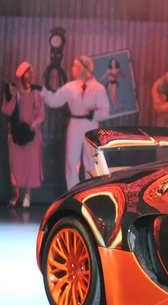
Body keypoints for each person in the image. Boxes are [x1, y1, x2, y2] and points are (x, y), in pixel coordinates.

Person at [42, 56, 110, 190]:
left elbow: (105, 112)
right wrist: (43, 91)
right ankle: (73, 192)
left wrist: (93, 114)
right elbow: (54, 101)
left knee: (91, 160)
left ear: (83, 68)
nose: (72, 69)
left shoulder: (98, 88)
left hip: (90, 124)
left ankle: (90, 192)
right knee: (71, 161)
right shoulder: (71, 87)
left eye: (75, 66)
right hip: (74, 124)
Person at [1, 62, 45, 208]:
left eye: (32, 72)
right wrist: (13, 97)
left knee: (30, 165)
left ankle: (27, 195)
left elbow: (41, 114)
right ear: (21, 74)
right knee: (16, 166)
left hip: (31, 134)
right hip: (16, 135)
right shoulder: (12, 91)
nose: (31, 75)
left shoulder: (36, 92)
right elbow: (6, 111)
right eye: (28, 72)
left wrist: (32, 126)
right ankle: (16, 194)